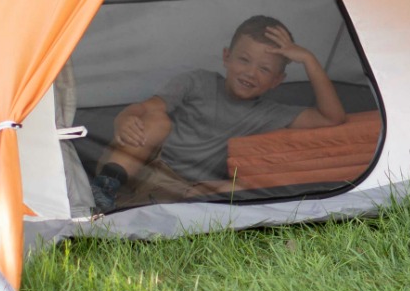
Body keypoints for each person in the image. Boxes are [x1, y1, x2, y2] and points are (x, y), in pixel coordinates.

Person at [89, 15, 347, 212]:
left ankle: (131, 206)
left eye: (264, 69)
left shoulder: (269, 113)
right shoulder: (198, 81)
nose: (250, 73)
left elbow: (331, 118)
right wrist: (124, 118)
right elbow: (147, 108)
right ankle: (105, 187)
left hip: (185, 189)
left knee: (248, 185)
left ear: (277, 80)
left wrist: (309, 60)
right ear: (227, 57)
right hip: (139, 167)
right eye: (244, 60)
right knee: (157, 119)